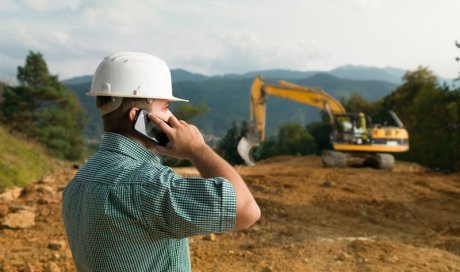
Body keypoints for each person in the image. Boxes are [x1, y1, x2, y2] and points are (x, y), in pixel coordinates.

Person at [62, 52, 261, 271]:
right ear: (137, 116)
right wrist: (198, 150)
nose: (172, 118)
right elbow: (246, 210)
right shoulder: (149, 185)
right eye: (165, 107)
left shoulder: (80, 180)